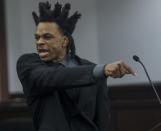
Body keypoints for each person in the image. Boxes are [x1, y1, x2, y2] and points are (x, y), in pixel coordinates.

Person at [16, 1, 135, 131]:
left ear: (65, 41)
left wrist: (100, 71)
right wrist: (101, 70)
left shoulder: (92, 69)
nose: (39, 42)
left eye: (47, 37)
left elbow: (102, 117)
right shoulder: (28, 63)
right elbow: (54, 76)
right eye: (37, 37)